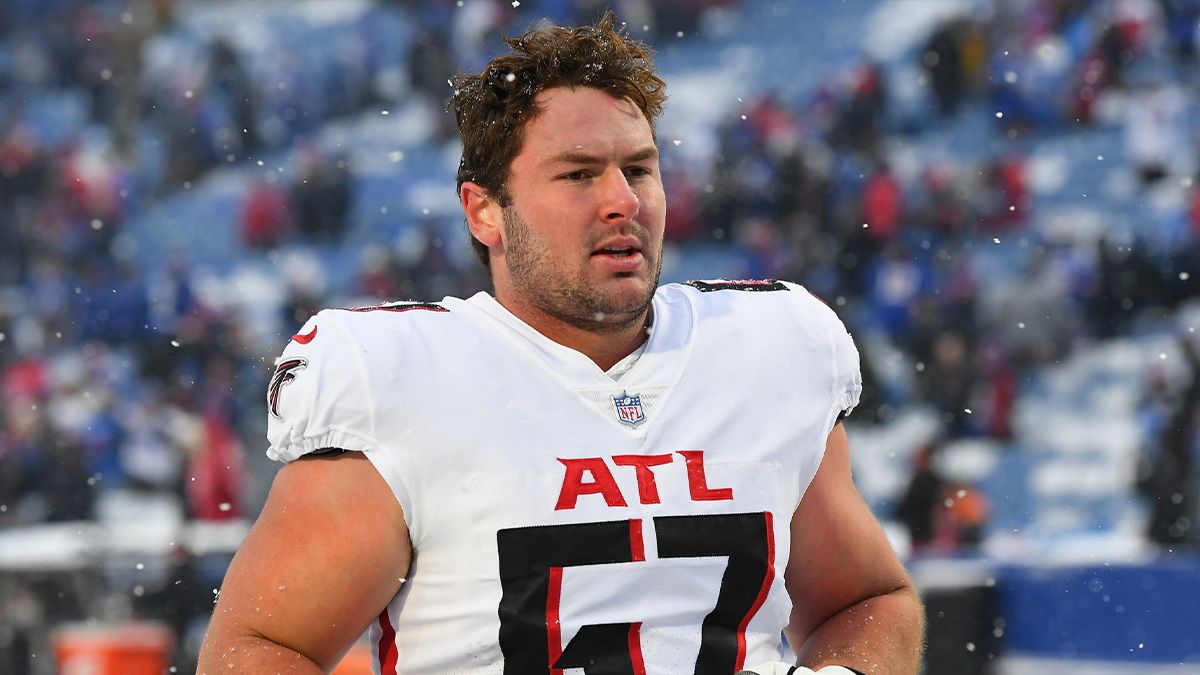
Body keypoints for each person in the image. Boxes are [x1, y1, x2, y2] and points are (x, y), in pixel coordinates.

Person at [197, 13, 924, 675]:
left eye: (639, 168)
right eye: (579, 174)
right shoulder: (403, 379)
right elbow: (259, 646)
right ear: (484, 211)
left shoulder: (765, 351)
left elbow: (866, 601)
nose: (623, 200)